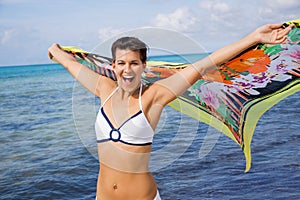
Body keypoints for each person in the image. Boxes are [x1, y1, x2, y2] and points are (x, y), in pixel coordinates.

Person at [48, 22, 293, 200]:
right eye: (121, 63)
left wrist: (253, 37)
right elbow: (70, 63)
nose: (127, 69)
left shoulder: (155, 96)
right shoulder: (104, 89)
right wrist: (56, 51)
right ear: (113, 66)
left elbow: (204, 65)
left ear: (144, 66)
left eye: (134, 63)